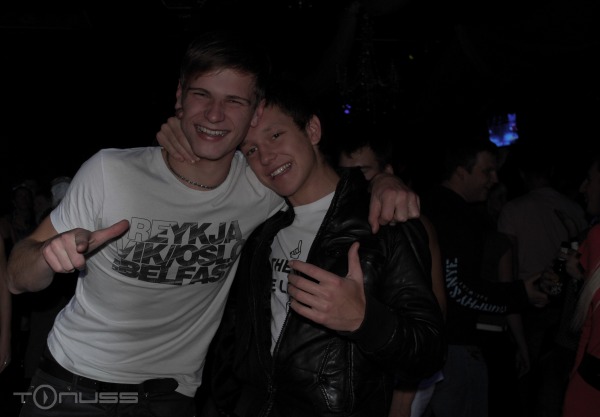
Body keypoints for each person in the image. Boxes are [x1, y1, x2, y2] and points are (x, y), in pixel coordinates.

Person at [6, 31, 420, 417]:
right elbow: (16, 277)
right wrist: (47, 256)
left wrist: (382, 182)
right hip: (71, 386)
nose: (215, 114)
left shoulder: (261, 186)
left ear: (255, 111)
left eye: (234, 101)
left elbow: (322, 182)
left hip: (170, 398)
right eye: (201, 95)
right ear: (180, 98)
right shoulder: (109, 171)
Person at [200, 76, 445, 417]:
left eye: (275, 135)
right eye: (251, 150)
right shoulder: (259, 226)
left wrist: (365, 320)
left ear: (312, 130)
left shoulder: (384, 220)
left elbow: (429, 352)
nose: (266, 156)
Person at [421, 136, 549, 417]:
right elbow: (457, 289)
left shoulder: (428, 203)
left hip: (433, 346)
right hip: (454, 348)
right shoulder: (454, 215)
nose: (494, 179)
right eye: (487, 171)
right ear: (460, 172)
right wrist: (520, 294)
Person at [333, 120, 446, 417]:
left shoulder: (409, 225)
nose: (353, 180)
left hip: (406, 378)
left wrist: (403, 397)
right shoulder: (344, 222)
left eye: (363, 171)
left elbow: (433, 316)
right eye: (346, 172)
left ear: (388, 172)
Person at [561, 154, 600, 417]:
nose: (583, 188)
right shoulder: (596, 238)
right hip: (589, 391)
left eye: (590, 179)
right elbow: (589, 326)